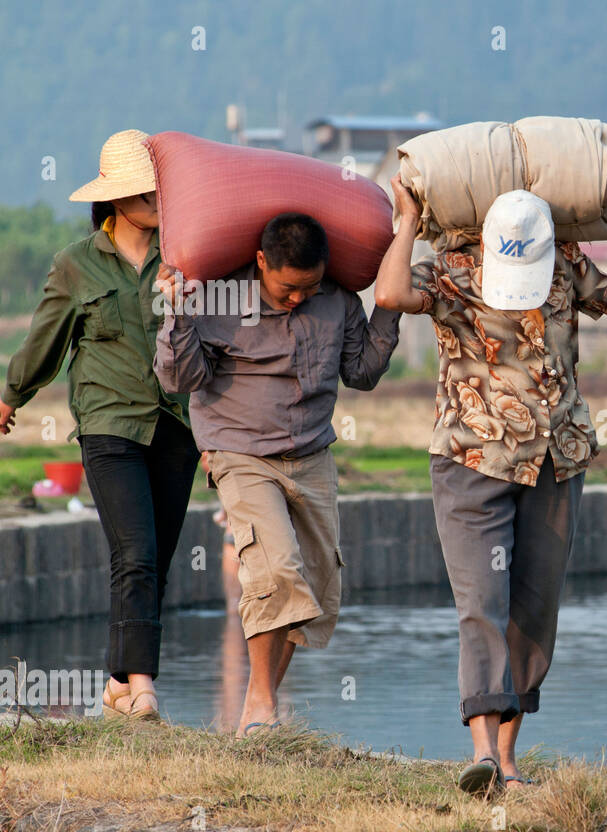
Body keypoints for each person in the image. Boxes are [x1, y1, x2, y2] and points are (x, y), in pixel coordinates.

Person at [375, 184, 607, 793]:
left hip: (556, 460)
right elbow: (391, 293)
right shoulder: (451, 271)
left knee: (535, 608)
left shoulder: (567, 265)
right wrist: (408, 221)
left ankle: (507, 756)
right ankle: (481, 753)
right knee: (481, 604)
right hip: (471, 459)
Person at [153, 213, 403, 736]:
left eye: (308, 288)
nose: (298, 299)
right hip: (238, 452)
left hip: (312, 453)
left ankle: (255, 707)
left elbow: (362, 372)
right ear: (262, 262)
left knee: (313, 579)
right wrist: (174, 314)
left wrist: (390, 304)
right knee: (276, 567)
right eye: (288, 288)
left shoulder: (335, 302)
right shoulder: (217, 301)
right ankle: (264, 706)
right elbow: (181, 376)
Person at [0, 129, 200, 720]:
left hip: (177, 424)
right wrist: (11, 395)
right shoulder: (76, 265)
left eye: (160, 190)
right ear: (115, 200)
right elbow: (47, 341)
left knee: (156, 558)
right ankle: (143, 688)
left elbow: (212, 342)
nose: (157, 202)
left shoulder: (189, 255)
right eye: (144, 194)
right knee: (134, 549)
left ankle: (116, 685)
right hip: (109, 425)